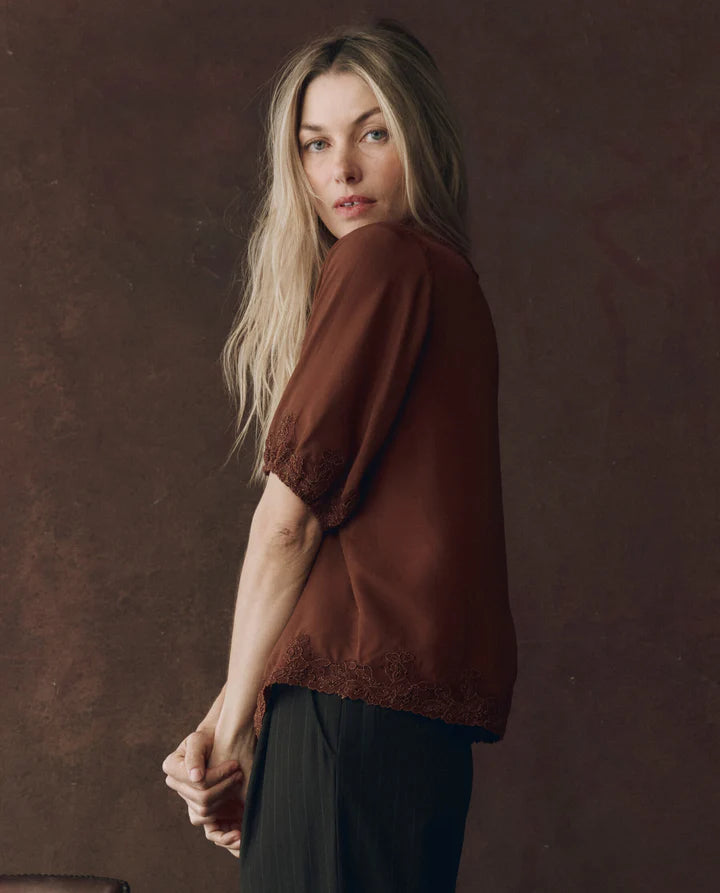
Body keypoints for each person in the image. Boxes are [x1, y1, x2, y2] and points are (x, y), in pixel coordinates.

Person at [161, 17, 518, 891]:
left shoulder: (385, 261)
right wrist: (228, 715)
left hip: (348, 718)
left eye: (373, 133)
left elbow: (290, 525)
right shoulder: (452, 284)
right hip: (408, 730)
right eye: (316, 144)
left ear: (419, 137)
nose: (340, 171)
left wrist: (236, 725)